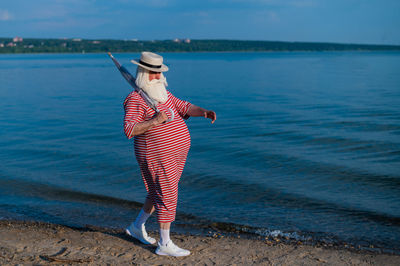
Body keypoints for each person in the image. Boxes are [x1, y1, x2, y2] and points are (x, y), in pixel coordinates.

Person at [123, 51, 216, 257]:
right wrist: (155, 121)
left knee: (159, 192)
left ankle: (137, 227)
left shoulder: (162, 94)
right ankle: (164, 244)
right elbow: (129, 129)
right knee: (167, 194)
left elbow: (183, 106)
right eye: (154, 73)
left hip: (174, 154)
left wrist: (203, 112)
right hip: (155, 154)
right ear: (144, 73)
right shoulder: (135, 99)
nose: (158, 77)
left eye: (159, 73)